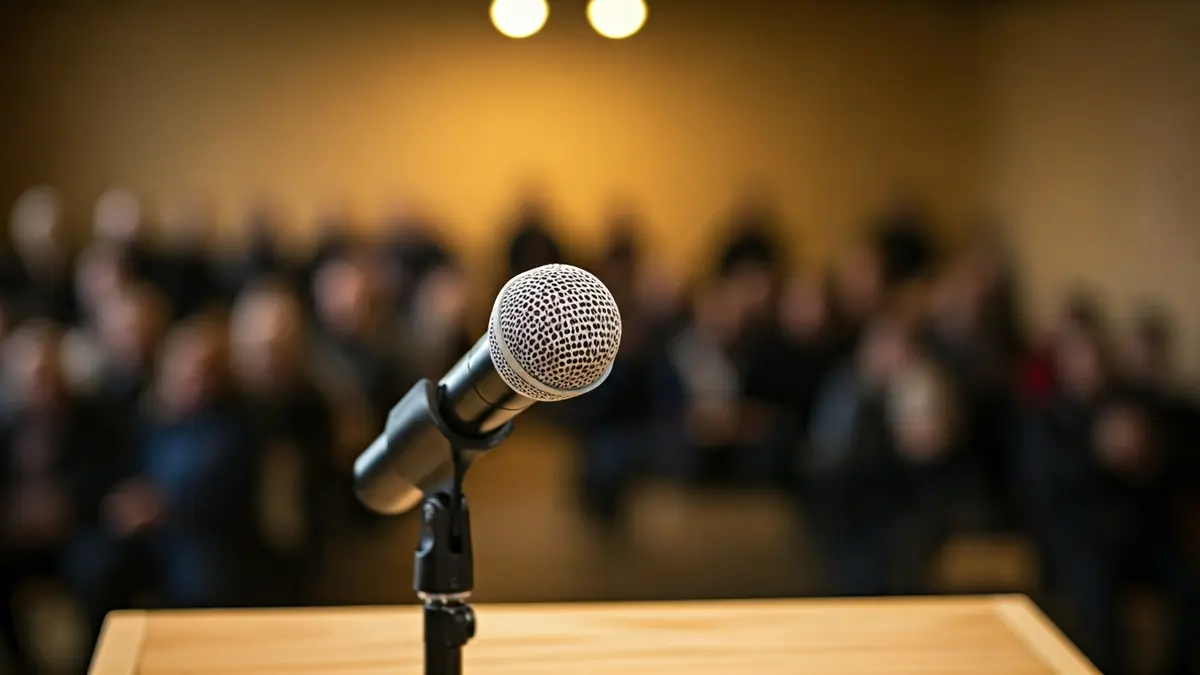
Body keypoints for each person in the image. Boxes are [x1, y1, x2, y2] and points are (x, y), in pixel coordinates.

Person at [1022, 316, 1199, 674]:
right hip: (1082, 543)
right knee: (1098, 602)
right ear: (1065, 364)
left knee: (1191, 588)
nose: (1092, 364)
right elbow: (1040, 487)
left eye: (1097, 354)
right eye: (1081, 355)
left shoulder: (1134, 406)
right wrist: (1099, 454)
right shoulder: (1048, 419)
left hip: (1140, 538)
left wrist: (1145, 455)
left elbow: (1169, 476)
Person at [67, 317, 258, 642]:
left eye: (203, 371)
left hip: (199, 531)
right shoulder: (151, 415)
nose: (193, 380)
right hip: (145, 532)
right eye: (185, 370)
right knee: (93, 565)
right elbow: (126, 469)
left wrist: (166, 507)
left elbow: (229, 490)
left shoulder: (236, 424)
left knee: (200, 580)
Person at [805, 312, 959, 596]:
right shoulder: (850, 389)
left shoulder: (923, 384)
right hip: (857, 500)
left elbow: (933, 454)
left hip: (912, 498)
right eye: (883, 346)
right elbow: (829, 452)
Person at [0, 322, 110, 674]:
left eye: (46, 375)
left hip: (76, 528)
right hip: (18, 534)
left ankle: (89, 663)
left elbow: (103, 479)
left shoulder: (90, 419)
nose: (39, 386)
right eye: (31, 378)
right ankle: (24, 664)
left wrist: (67, 507)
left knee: (96, 568)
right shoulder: (8, 425)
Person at [230, 280, 338, 606]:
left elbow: (328, 462)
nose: (270, 355)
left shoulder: (311, 398)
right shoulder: (229, 399)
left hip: (298, 527)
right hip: (236, 535)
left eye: (278, 346)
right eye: (262, 345)